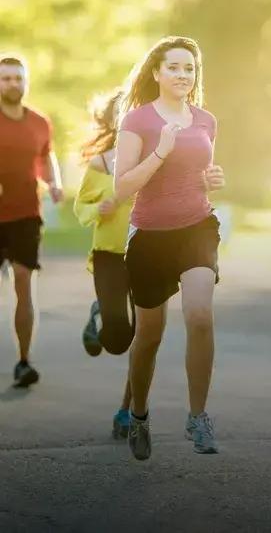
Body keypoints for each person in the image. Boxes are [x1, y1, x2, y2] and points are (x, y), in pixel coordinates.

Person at [114, 36, 225, 461]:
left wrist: (212, 180)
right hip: (150, 235)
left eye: (190, 68)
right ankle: (139, 413)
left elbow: (199, 175)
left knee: (199, 315)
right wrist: (160, 149)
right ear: (157, 73)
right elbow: (123, 187)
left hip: (198, 226)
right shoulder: (138, 122)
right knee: (149, 336)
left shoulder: (206, 120)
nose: (183, 75)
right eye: (175, 68)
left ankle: (198, 416)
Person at [73, 88, 135, 439]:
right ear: (111, 121)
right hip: (109, 256)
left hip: (149, 253)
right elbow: (80, 209)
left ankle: (128, 410)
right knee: (118, 341)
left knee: (145, 334)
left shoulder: (155, 158)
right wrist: (99, 210)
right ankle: (101, 315)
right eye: (121, 112)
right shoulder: (100, 164)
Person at [0, 55, 64, 388]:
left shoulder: (39, 122)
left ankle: (24, 362)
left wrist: (54, 181)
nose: (12, 84)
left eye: (18, 78)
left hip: (26, 214)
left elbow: (46, 155)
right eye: (6, 78)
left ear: (26, 82)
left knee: (24, 283)